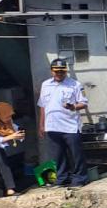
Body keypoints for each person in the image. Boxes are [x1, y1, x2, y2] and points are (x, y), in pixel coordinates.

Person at [37, 58, 88, 187]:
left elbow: (84, 103)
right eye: (57, 71)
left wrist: (73, 107)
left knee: (76, 155)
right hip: (52, 126)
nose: (59, 74)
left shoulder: (75, 84)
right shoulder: (45, 85)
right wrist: (41, 125)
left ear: (66, 71)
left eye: (62, 71)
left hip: (70, 126)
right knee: (56, 155)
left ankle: (79, 179)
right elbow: (43, 106)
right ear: (51, 71)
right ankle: (61, 179)